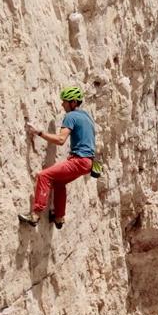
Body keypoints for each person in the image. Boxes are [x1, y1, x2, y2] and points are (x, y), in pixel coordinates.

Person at [18, 87, 96, 229]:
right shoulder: (87, 117)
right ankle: (59, 218)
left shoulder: (71, 116)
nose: (62, 105)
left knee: (44, 176)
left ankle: (35, 215)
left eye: (65, 102)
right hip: (88, 163)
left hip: (78, 160)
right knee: (59, 183)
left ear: (72, 102)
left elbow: (61, 140)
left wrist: (39, 132)